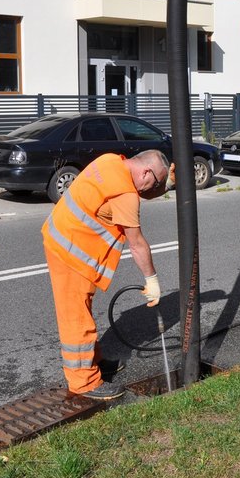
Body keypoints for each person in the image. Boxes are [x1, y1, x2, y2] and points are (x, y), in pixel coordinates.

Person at [41, 149, 174, 399]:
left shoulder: (111, 161)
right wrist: (152, 280)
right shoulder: (125, 194)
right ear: (145, 172)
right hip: (70, 251)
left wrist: (166, 186)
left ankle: (94, 361)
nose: (150, 190)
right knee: (76, 318)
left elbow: (136, 192)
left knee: (82, 311)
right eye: (155, 183)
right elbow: (137, 244)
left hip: (63, 235)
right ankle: (84, 382)